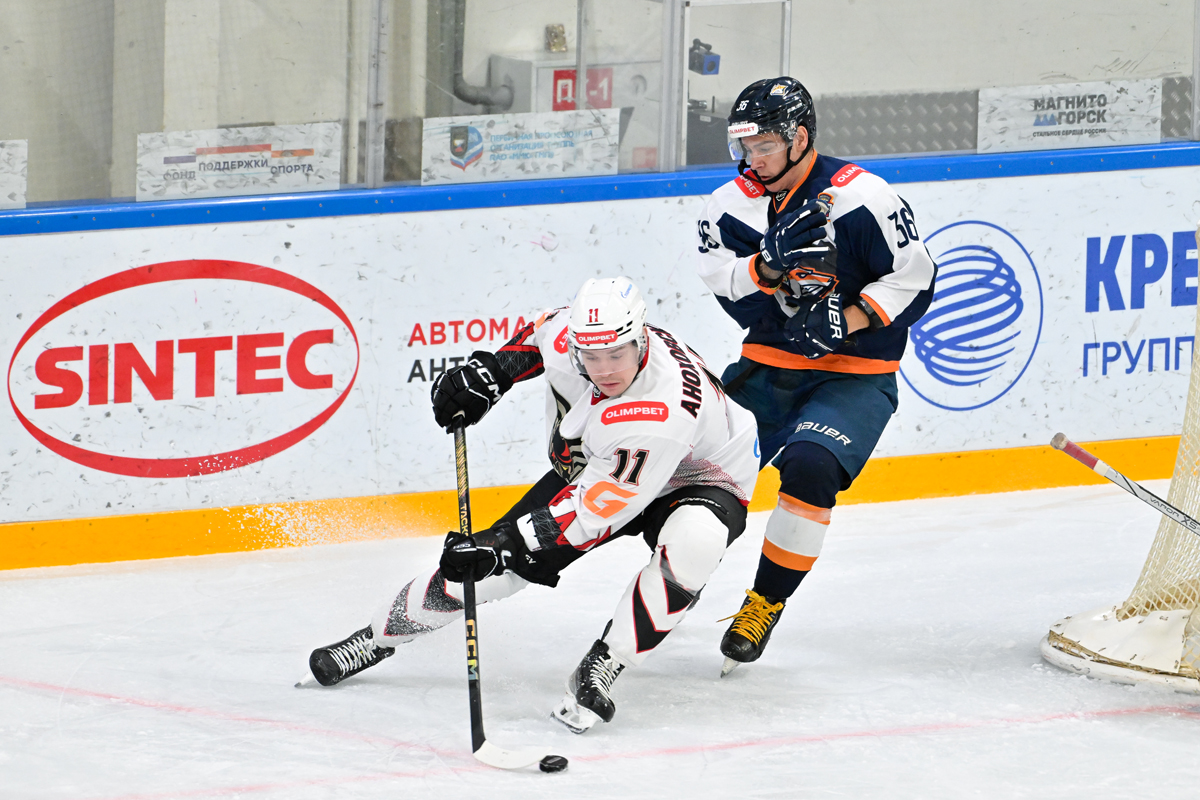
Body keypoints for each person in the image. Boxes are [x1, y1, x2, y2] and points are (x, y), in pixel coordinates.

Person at [301, 277, 759, 733]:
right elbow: (539, 336)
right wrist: (491, 375)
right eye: (592, 357)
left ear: (641, 341)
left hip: (701, 478)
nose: (605, 370)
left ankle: (606, 662)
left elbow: (589, 515)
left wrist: (502, 543)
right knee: (485, 574)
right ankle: (377, 637)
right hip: (605, 465)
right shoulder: (571, 337)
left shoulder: (659, 411)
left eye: (617, 354)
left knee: (693, 545)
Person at [695, 77, 937, 675]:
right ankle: (674, 574)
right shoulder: (728, 207)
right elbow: (728, 288)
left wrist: (848, 320)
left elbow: (916, 277)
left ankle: (764, 603)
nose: (752, 160)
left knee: (812, 467)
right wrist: (767, 267)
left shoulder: (863, 198)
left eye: (764, 146)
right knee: (692, 468)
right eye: (745, 147)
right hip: (768, 367)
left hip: (856, 372)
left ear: (799, 139)